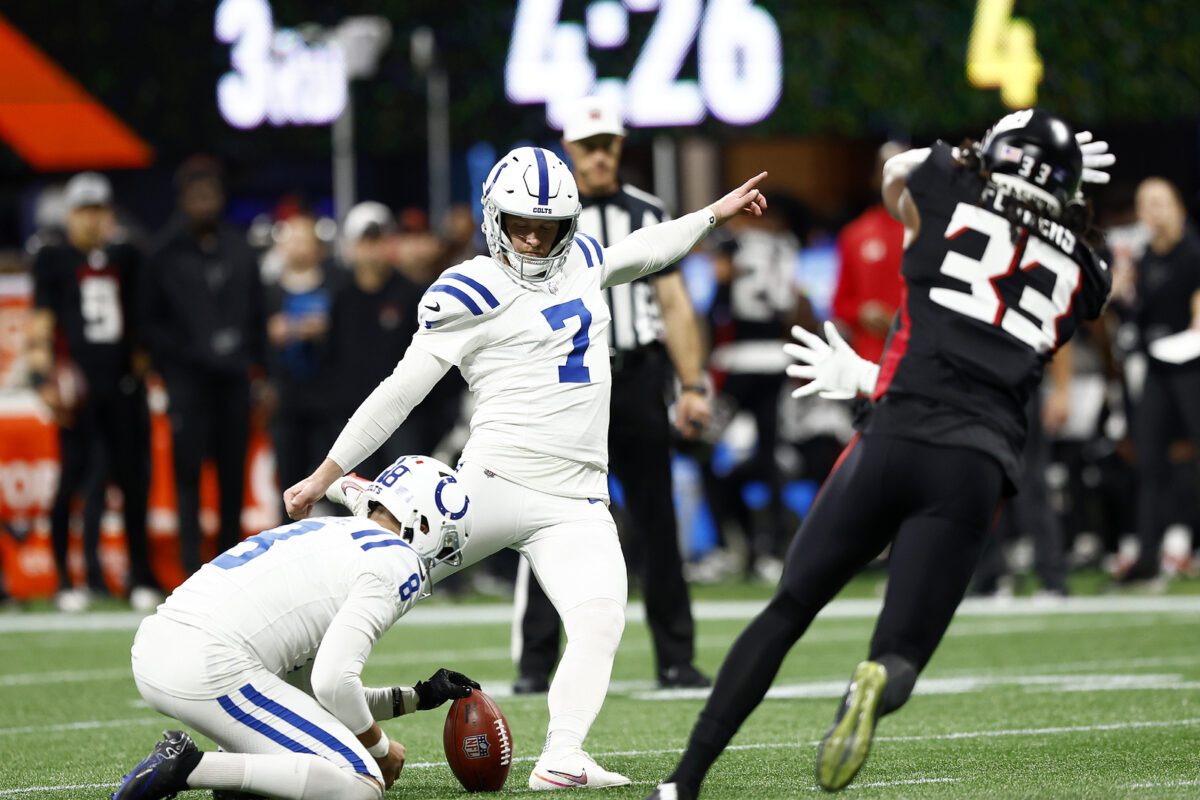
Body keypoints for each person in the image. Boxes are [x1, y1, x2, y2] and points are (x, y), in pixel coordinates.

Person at [646, 110, 1114, 798]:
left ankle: (684, 781)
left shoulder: (949, 188)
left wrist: (970, 157)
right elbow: (1081, 272)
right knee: (899, 653)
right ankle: (873, 681)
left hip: (893, 432)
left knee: (788, 607)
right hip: (973, 462)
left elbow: (901, 175)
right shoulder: (1083, 268)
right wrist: (1061, 204)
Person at [286, 145, 767, 789]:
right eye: (522, 225)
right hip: (492, 484)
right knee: (374, 580)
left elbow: (649, 248)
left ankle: (563, 755)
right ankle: (300, 678)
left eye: (550, 226)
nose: (536, 240)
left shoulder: (585, 260)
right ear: (494, 219)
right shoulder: (470, 289)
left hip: (576, 499)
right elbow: (401, 390)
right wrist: (324, 471)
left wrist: (712, 214)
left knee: (600, 617)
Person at [110, 455, 479, 800]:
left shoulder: (331, 530)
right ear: (424, 523)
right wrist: (378, 748)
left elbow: (314, 698)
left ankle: (238, 772)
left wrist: (419, 696)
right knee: (359, 783)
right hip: (211, 664)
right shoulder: (397, 561)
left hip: (161, 644)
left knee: (300, 742)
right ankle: (190, 768)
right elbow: (334, 683)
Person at [511, 97, 713, 696]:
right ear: (570, 151)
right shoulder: (541, 213)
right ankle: (534, 663)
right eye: (587, 147)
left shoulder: (647, 211)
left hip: (637, 376)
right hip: (569, 381)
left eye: (607, 145)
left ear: (620, 148)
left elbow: (674, 304)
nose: (598, 157)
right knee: (550, 516)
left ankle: (676, 657)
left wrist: (693, 384)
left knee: (657, 520)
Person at [28, 171, 160, 612]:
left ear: (108, 214)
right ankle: (66, 579)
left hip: (121, 386)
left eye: (98, 210)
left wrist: (140, 373)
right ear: (70, 215)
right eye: (83, 211)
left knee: (133, 482)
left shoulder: (127, 256)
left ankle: (139, 574)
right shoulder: (53, 258)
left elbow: (141, 322)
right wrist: (42, 378)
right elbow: (42, 322)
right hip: (78, 390)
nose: (91, 220)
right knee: (73, 481)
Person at [142, 157, 267, 575]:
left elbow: (257, 316)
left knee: (233, 475)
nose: (204, 203)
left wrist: (260, 371)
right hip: (188, 381)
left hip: (233, 380)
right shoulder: (161, 253)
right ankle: (191, 563)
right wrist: (178, 361)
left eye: (210, 195)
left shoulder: (239, 248)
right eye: (196, 196)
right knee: (188, 475)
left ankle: (231, 564)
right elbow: (149, 322)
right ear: (182, 200)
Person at [1114, 177, 1200, 584]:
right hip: (1156, 366)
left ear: (1178, 206)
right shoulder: (1144, 257)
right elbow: (1134, 317)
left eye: (1160, 202)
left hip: (1193, 365)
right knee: (1148, 463)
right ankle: (1148, 558)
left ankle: (1187, 544)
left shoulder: (1194, 252)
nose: (1153, 211)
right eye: (1145, 204)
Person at [325, 202, 423, 481]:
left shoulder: (411, 295)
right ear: (352, 246)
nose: (372, 249)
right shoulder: (340, 297)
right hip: (352, 418)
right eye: (365, 242)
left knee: (406, 500)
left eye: (378, 240)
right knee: (354, 503)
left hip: (403, 418)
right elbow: (332, 358)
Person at [265, 210, 341, 516]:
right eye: (291, 239)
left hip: (329, 401)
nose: (297, 246)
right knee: (288, 483)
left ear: (318, 247)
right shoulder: (268, 291)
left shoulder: (337, 285)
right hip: (287, 402)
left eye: (304, 238)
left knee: (334, 483)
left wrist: (324, 330)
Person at [832, 142, 909, 362]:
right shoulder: (855, 235)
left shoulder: (935, 232)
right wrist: (862, 312)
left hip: (922, 360)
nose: (897, 178)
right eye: (889, 170)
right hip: (870, 361)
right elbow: (839, 303)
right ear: (876, 178)